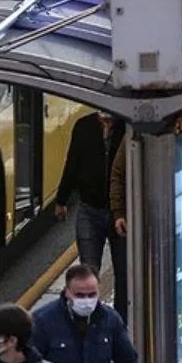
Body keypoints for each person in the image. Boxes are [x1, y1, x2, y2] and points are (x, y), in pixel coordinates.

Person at [54, 111, 129, 323]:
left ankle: (120, 324)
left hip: (121, 213)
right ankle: (90, 322)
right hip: (89, 209)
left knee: (124, 274)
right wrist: (62, 199)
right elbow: (72, 163)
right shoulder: (83, 126)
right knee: (88, 271)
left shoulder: (128, 126)